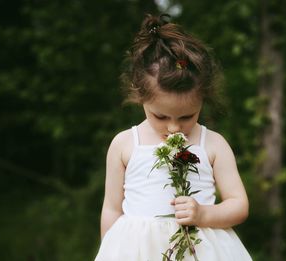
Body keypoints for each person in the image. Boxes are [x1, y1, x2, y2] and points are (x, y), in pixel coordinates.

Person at [95, 14, 252, 261]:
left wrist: (203, 215)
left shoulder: (212, 144)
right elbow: (111, 209)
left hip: (198, 250)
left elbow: (238, 204)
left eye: (187, 117)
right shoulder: (124, 144)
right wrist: (110, 250)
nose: (174, 128)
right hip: (139, 251)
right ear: (140, 97)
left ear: (203, 100)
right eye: (160, 117)